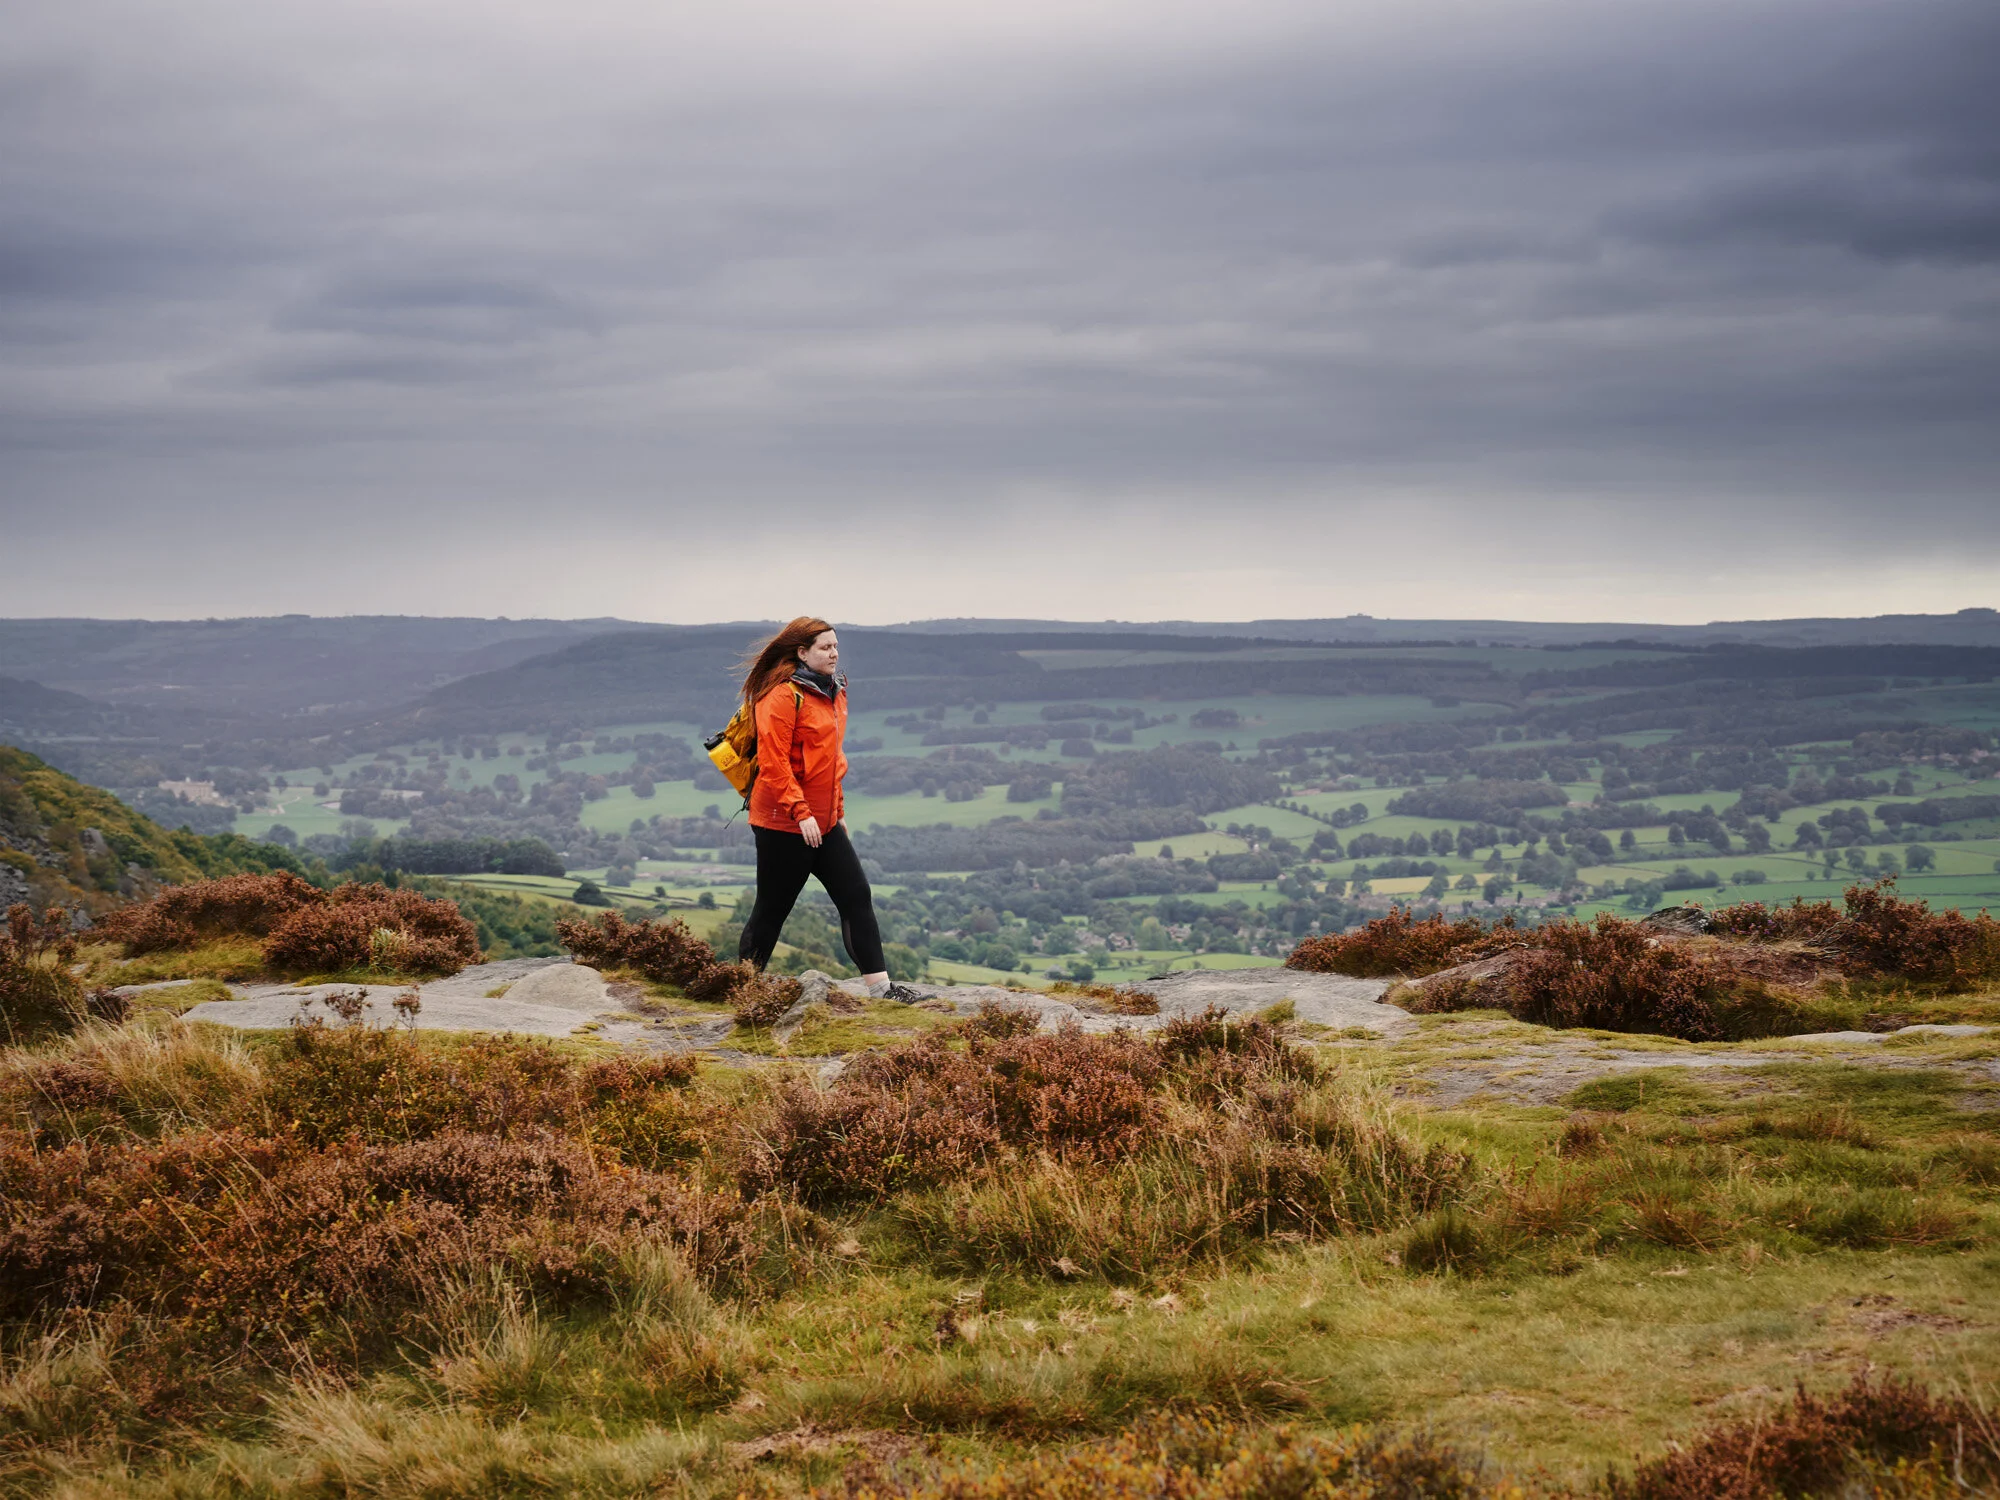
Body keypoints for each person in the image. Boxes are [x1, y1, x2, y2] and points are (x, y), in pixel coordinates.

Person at [735, 617, 919, 999]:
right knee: (772, 909)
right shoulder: (783, 696)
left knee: (855, 895)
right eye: (825, 647)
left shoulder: (833, 692)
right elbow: (774, 764)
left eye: (835, 646)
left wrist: (838, 811)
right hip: (782, 824)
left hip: (825, 821)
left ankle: (881, 990)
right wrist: (800, 813)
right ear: (802, 653)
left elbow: (829, 762)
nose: (834, 653)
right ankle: (742, 988)